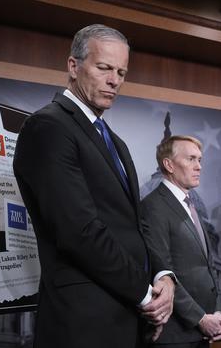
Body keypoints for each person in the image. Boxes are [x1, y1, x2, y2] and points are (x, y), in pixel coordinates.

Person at [13, 24, 175, 348]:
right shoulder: (48, 127)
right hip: (83, 324)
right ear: (73, 66)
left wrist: (163, 276)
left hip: (129, 317)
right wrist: (145, 295)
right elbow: (79, 231)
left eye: (121, 72)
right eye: (104, 68)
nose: (114, 80)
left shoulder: (115, 142)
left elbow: (137, 224)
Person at [141, 135, 221, 347]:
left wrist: (217, 312)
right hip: (176, 334)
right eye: (191, 159)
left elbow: (208, 265)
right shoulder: (153, 207)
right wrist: (200, 319)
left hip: (203, 330)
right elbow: (162, 269)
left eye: (200, 160)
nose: (199, 166)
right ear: (169, 164)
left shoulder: (191, 205)